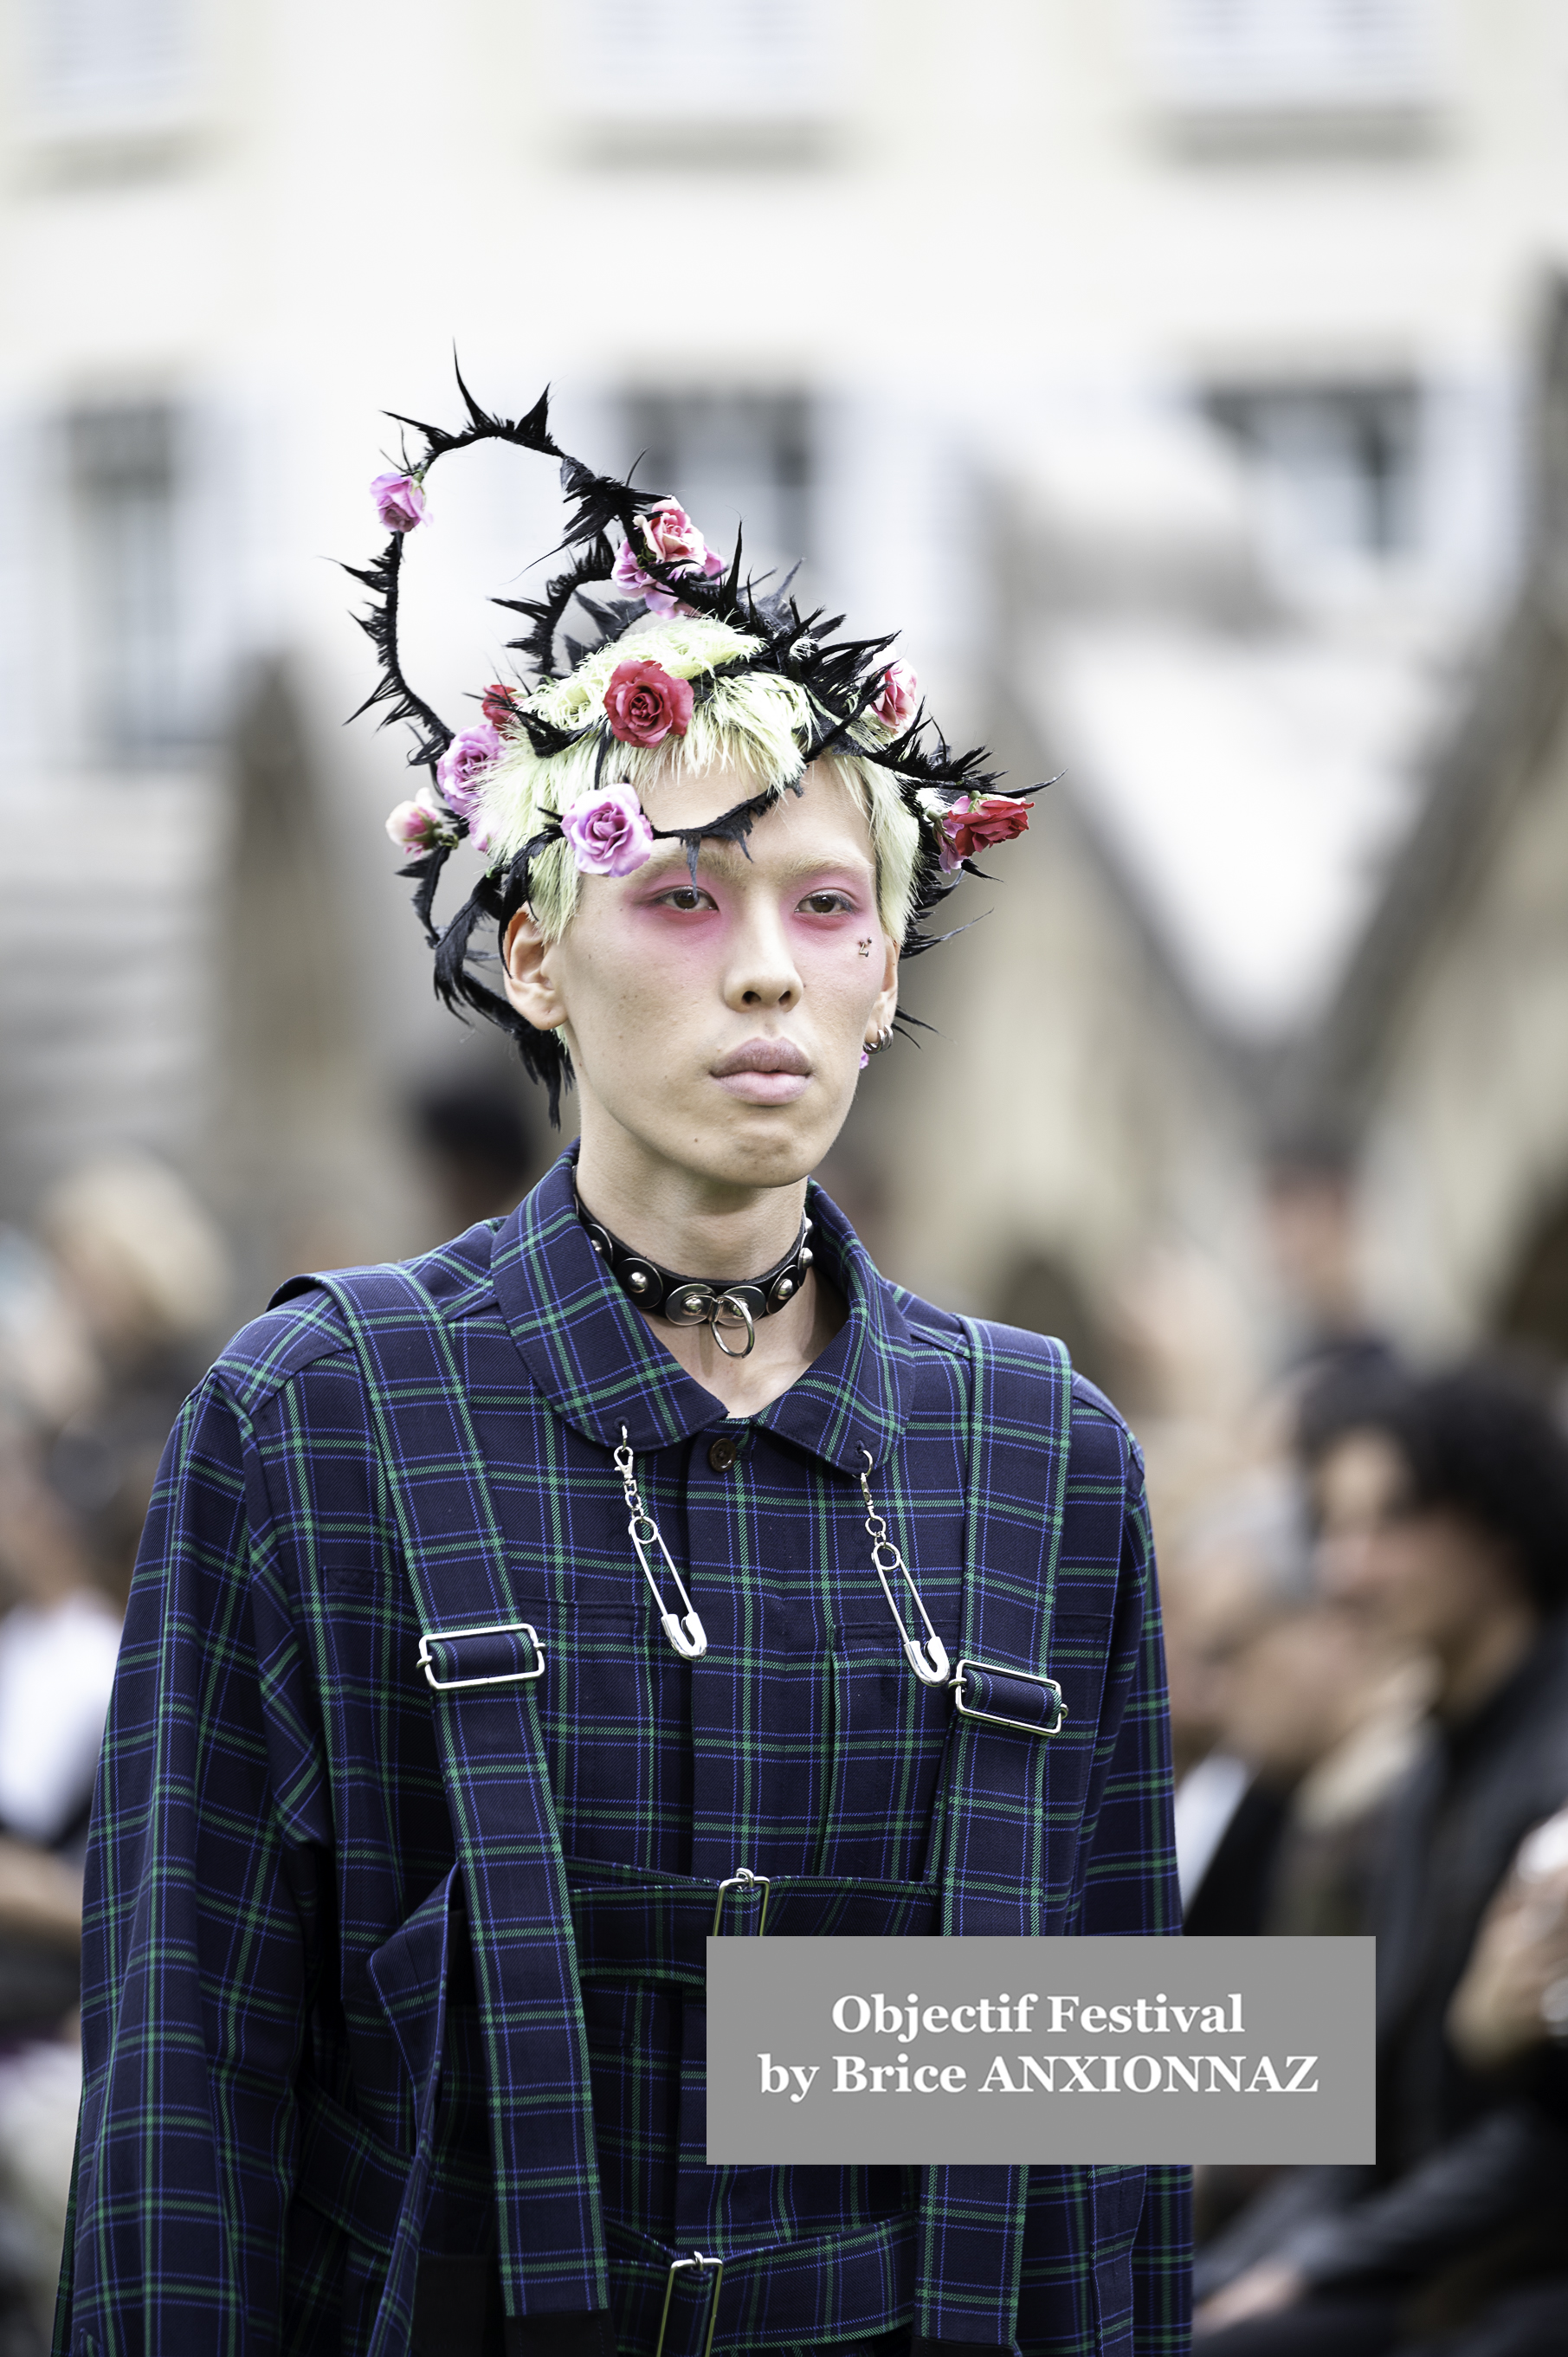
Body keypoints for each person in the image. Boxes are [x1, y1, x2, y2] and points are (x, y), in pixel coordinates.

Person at [55, 384, 1191, 2357]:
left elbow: (1089, 2140)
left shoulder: (1043, 1450)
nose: (766, 965)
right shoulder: (312, 1411)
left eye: (826, 904)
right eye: (681, 892)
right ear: (535, 957)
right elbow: (184, 2098)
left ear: (885, 971)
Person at [1194, 1361, 1568, 2357]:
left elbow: (1530, 2143)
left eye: (1389, 1522)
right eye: (1334, 1529)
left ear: (1493, 1522)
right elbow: (1349, 2104)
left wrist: (1314, 2266)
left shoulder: (1534, 1773)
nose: (1346, 1571)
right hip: (1406, 2245)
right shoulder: (1421, 1771)